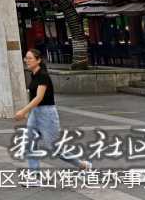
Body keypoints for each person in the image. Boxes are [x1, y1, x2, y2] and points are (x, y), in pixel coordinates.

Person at [15, 48, 92, 181]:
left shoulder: (43, 75)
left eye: (30, 58)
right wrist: (29, 111)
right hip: (35, 113)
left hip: (47, 113)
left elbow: (39, 97)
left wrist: (23, 111)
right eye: (26, 58)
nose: (26, 60)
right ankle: (34, 176)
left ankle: (83, 165)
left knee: (54, 148)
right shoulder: (34, 74)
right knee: (30, 143)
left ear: (38, 60)